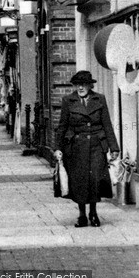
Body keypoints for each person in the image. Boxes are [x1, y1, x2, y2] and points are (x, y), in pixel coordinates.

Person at [55, 70, 119, 228]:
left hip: (97, 146)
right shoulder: (68, 101)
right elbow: (62, 127)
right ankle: (82, 215)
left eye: (83, 84)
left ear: (90, 85)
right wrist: (57, 148)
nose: (80, 87)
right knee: (80, 181)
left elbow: (107, 124)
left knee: (95, 180)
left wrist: (114, 147)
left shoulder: (100, 99)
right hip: (76, 148)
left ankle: (94, 213)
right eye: (77, 84)